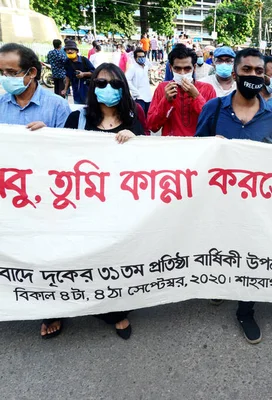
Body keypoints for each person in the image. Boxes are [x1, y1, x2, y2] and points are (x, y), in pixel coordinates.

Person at [196, 49, 272, 344]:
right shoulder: (213, 108)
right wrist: (211, 145)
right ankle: (220, 285)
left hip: (255, 205)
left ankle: (245, 310)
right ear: (234, 74)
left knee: (252, 253)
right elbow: (194, 153)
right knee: (219, 245)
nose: (252, 75)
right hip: (218, 201)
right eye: (246, 69)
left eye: (258, 71)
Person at [48, 63, 144, 340]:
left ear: (123, 88)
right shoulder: (76, 119)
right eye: (101, 83)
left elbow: (148, 164)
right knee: (77, 255)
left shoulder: (133, 119)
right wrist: (41, 135)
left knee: (114, 258)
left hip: (118, 206)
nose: (107, 89)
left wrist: (135, 140)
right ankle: (58, 307)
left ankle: (114, 311)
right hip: (81, 205)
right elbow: (56, 156)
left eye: (115, 84)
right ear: (92, 87)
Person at [147, 45, 215, 136]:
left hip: (199, 145)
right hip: (171, 146)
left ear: (194, 68)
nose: (182, 73)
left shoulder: (207, 89)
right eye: (177, 69)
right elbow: (152, 126)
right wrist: (165, 101)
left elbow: (213, 124)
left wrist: (196, 97)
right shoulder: (162, 88)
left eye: (187, 69)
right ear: (171, 68)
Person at [0, 43, 71, 130]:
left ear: (32, 72)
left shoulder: (58, 106)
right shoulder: (1, 103)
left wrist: (49, 133)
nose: (5, 78)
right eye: (2, 73)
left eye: (12, 72)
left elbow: (67, 141)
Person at [63, 39, 95, 104]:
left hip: (86, 90)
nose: (69, 51)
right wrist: (65, 89)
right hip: (76, 93)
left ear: (76, 51)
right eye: (67, 49)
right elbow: (67, 76)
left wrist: (83, 74)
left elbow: (94, 72)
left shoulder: (84, 60)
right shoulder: (67, 62)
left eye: (72, 49)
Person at [126, 48, 152, 116]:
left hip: (148, 96)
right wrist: (135, 91)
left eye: (143, 57)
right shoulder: (133, 68)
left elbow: (151, 66)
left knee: (148, 116)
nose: (142, 58)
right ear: (135, 58)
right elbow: (127, 80)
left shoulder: (145, 66)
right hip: (139, 97)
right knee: (140, 117)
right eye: (139, 57)